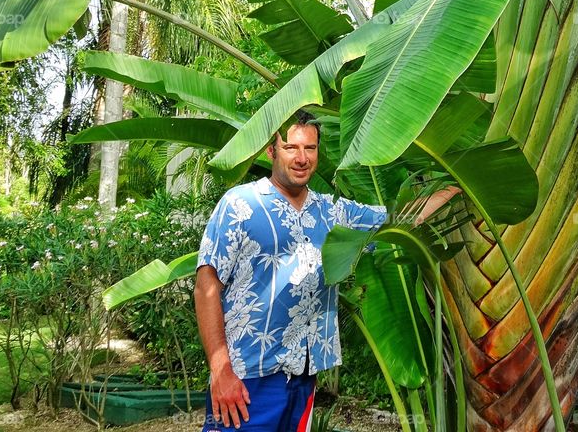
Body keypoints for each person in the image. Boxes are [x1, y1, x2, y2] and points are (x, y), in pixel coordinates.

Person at [194, 111, 460, 431]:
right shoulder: (239, 204)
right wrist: (221, 369)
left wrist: (455, 188)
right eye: (291, 147)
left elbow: (397, 218)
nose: (302, 158)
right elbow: (206, 285)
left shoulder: (331, 210)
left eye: (310, 148)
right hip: (247, 376)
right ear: (270, 150)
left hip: (304, 377)